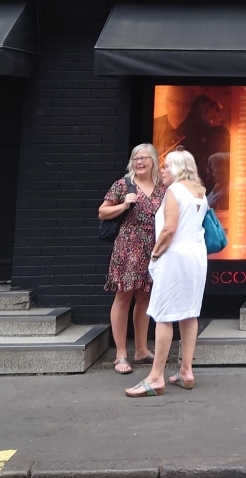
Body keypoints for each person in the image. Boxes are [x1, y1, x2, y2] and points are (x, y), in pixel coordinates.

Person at [126, 149, 208, 397]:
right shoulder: (200, 192)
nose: (162, 170)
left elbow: (169, 229)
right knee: (189, 313)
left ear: (179, 167)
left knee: (164, 315)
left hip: (174, 258)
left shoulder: (174, 191)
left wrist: (154, 254)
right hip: (196, 257)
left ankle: (155, 377)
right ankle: (186, 371)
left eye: (167, 166)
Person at [99, 144, 166, 375]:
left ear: (154, 161)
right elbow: (102, 212)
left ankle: (141, 350)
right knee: (123, 297)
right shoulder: (123, 184)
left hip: (153, 249)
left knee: (145, 298)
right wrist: (125, 204)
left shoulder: (163, 188)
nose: (139, 162)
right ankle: (120, 354)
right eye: (136, 158)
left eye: (144, 158)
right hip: (127, 248)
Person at [153, 86, 194, 158]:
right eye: (176, 103)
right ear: (167, 103)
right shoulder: (154, 125)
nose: (180, 110)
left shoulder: (196, 133)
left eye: (186, 105)